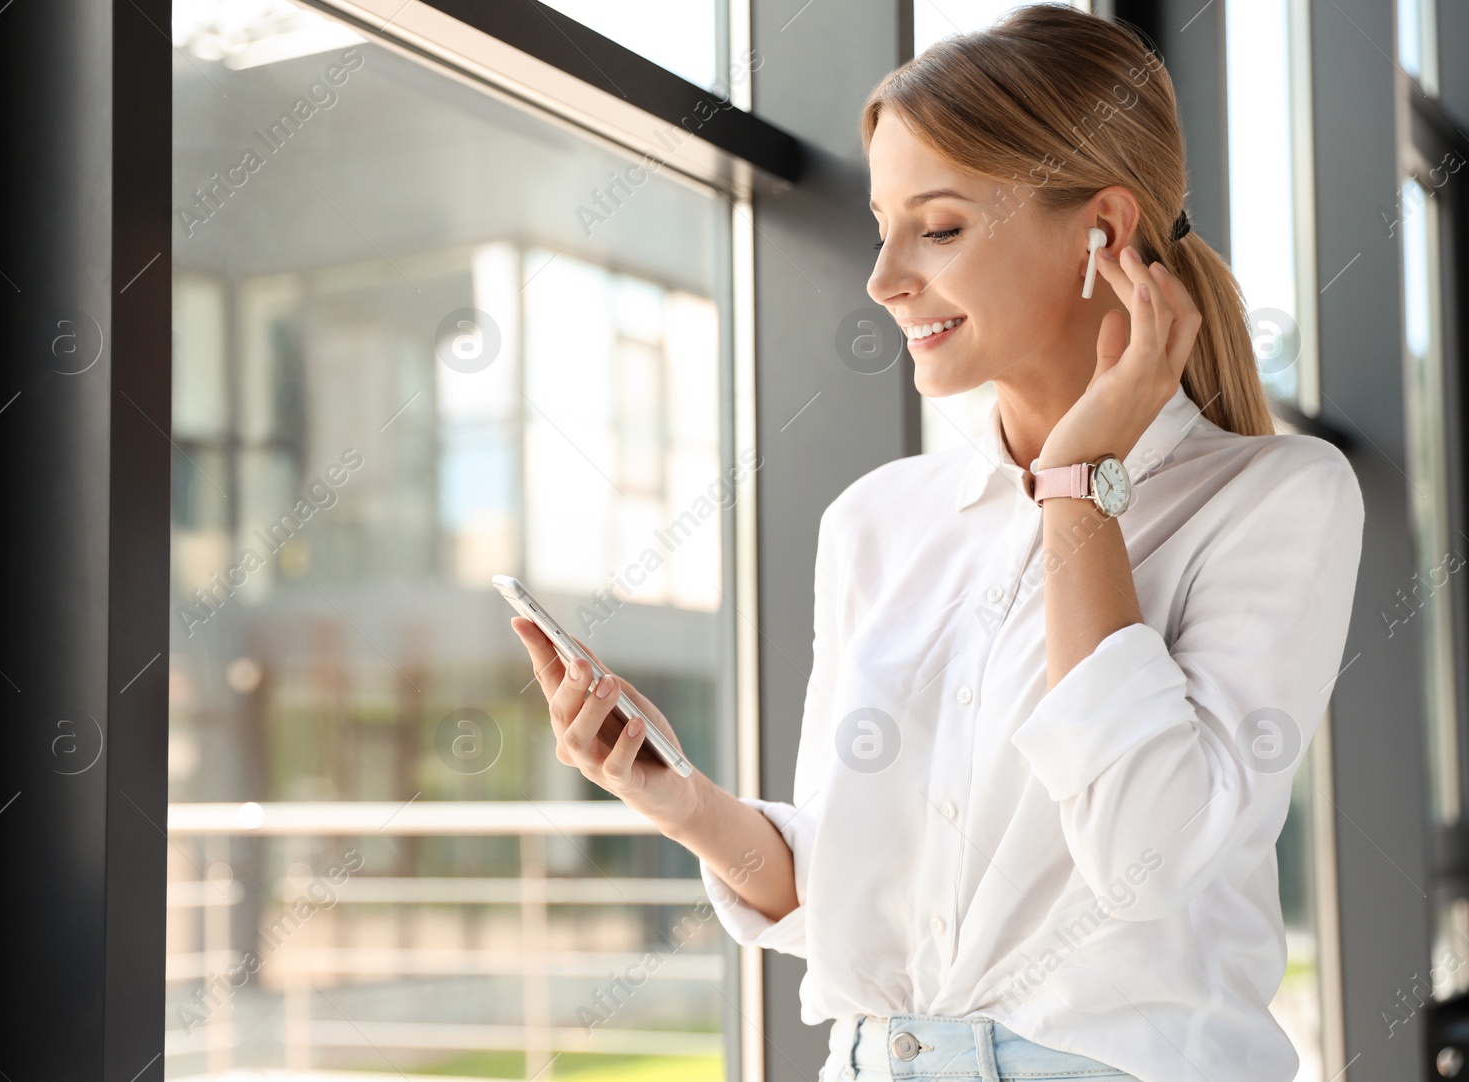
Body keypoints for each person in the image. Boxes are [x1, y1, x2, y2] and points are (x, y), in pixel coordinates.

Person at [511, 5, 1364, 1080]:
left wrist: (1079, 493)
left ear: (1102, 229)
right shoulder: (876, 520)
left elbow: (1144, 858)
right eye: (881, 225)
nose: (883, 278)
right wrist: (676, 797)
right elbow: (847, 893)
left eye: (942, 226)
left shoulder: (1274, 498)